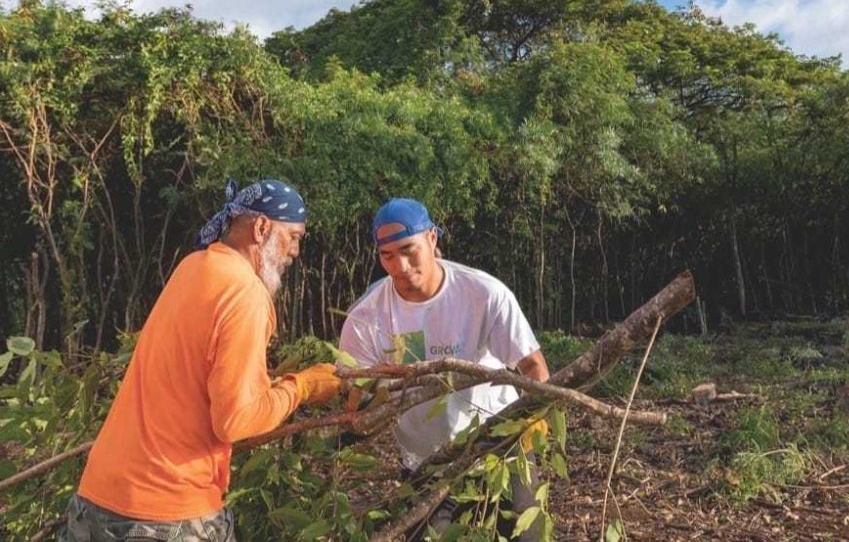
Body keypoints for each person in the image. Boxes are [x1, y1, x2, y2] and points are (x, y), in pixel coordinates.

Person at [61, 179, 344, 541]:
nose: (295, 252)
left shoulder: (193, 267)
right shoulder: (245, 294)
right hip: (165, 513)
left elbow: (196, 375)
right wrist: (302, 386)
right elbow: (236, 421)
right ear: (261, 229)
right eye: (294, 237)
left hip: (97, 497)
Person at [339, 197, 550, 539]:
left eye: (409, 249)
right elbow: (357, 404)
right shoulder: (367, 317)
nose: (400, 266)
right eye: (387, 256)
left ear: (432, 239)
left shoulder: (482, 293)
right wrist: (366, 397)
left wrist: (533, 418)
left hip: (499, 453)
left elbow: (532, 365)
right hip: (426, 463)